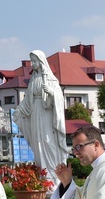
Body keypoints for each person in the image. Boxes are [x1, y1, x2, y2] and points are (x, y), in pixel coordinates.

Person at [14, 50, 68, 187]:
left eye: (35, 61)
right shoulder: (33, 80)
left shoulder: (50, 79)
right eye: (31, 61)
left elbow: (59, 98)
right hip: (35, 114)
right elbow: (27, 101)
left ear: (41, 61)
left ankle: (54, 176)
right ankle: (43, 177)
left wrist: (52, 94)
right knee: (38, 144)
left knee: (48, 142)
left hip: (47, 115)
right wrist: (19, 110)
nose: (32, 64)